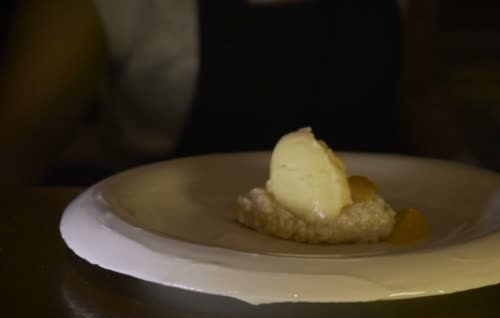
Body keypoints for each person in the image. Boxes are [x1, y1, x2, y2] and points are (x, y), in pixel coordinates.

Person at [1, 0, 444, 187]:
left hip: (378, 258)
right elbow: (19, 144)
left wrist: (473, 177)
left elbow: (418, 91)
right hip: (166, 259)